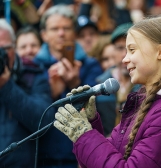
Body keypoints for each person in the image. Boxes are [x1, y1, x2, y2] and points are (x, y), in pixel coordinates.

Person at [53, 17, 161, 167]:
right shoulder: (144, 104)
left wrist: (84, 135)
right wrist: (90, 123)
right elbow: (106, 159)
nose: (124, 59)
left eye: (132, 50)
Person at [33, 5, 103, 167]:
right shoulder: (33, 67)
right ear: (43, 34)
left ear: (74, 33)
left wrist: (75, 85)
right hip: (43, 154)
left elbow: (98, 111)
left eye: (66, 28)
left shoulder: (90, 64)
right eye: (55, 29)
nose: (61, 33)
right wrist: (50, 94)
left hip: (80, 154)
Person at [0, 19, 52, 167]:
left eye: (3, 49)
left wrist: (6, 85)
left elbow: (42, 122)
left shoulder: (33, 74)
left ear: (14, 48)